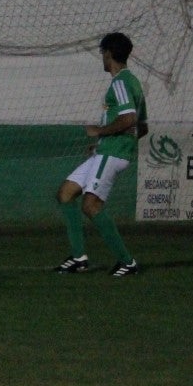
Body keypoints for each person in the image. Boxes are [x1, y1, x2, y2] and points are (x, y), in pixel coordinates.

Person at [55, 32, 148, 278]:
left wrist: (100, 131)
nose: (102, 58)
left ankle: (127, 262)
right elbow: (142, 127)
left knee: (91, 205)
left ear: (108, 53)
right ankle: (78, 258)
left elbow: (129, 119)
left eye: (102, 53)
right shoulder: (134, 83)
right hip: (110, 150)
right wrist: (106, 142)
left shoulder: (120, 83)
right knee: (65, 193)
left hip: (112, 152)